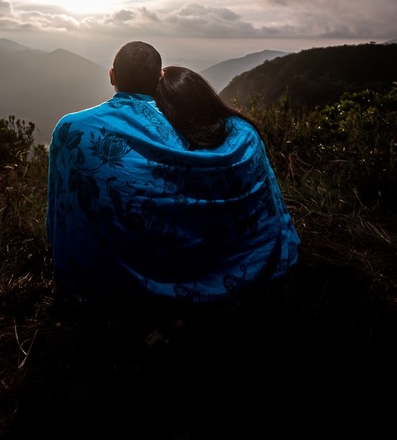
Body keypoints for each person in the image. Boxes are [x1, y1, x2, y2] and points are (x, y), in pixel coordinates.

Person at [46, 42, 300, 304]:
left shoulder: (71, 129)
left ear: (112, 76)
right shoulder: (192, 127)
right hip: (222, 259)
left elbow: (61, 205)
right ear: (160, 79)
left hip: (105, 275)